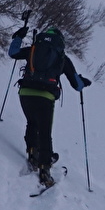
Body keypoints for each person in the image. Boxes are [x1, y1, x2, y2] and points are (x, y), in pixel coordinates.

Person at [8, 22, 91, 186]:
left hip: (25, 93)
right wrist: (84, 82)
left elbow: (13, 53)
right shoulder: (62, 57)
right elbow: (77, 85)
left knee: (31, 122)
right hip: (45, 97)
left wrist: (18, 36)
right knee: (45, 132)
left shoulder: (33, 50)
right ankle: (44, 169)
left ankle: (33, 153)